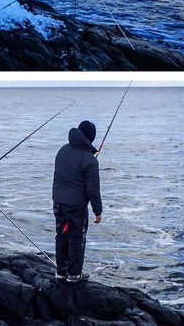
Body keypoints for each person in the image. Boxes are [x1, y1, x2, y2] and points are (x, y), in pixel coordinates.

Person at [52, 120, 103, 283]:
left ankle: (61, 271)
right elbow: (93, 190)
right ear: (90, 138)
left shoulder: (63, 150)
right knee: (76, 238)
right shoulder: (90, 160)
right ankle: (74, 274)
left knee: (61, 235)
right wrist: (98, 211)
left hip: (58, 202)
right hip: (76, 206)